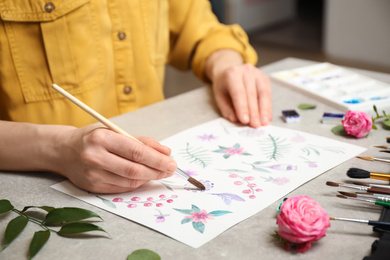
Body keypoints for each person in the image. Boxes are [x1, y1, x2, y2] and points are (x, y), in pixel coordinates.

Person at [0, 0, 272, 193]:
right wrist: (58, 150)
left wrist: (225, 63)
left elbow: (199, 30)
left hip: (155, 154)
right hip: (39, 187)